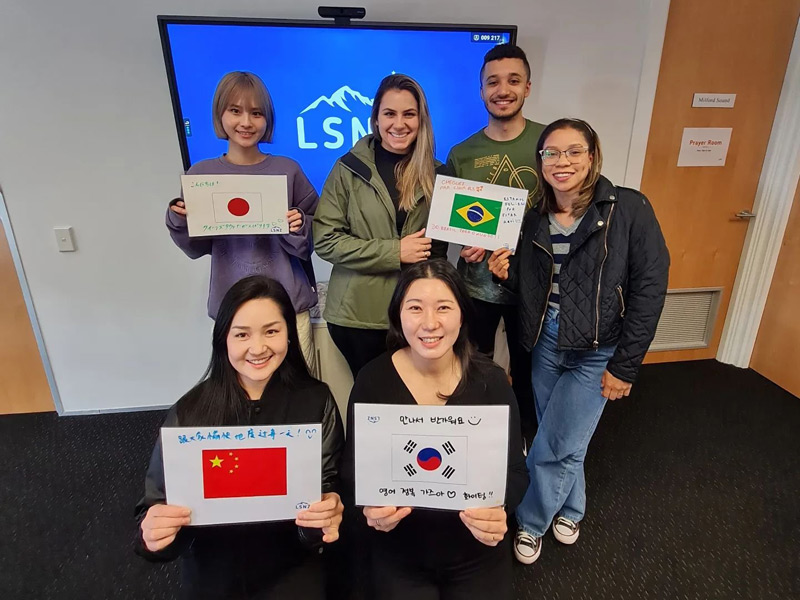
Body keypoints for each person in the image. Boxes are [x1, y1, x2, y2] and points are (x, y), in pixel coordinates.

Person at [488, 118, 669, 564]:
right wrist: (506, 274)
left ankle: (529, 522)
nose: (562, 161)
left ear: (592, 156)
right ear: (541, 162)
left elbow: (650, 286)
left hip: (599, 347)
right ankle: (571, 507)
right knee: (561, 434)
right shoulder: (534, 217)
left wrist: (626, 365)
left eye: (573, 151)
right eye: (551, 153)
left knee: (556, 442)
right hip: (547, 340)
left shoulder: (627, 208)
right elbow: (532, 287)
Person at [135, 276, 345, 599]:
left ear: (290, 334)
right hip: (213, 570)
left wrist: (327, 513)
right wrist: (154, 535)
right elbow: (156, 507)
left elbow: (329, 487)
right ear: (223, 340)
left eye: (272, 331)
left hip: (292, 565)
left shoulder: (317, 401)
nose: (258, 348)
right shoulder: (189, 412)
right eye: (242, 334)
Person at [342, 260, 528, 599]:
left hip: (475, 550)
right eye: (415, 308)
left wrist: (501, 510)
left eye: (444, 307)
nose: (430, 323)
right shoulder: (373, 380)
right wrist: (368, 508)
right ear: (398, 314)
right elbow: (352, 471)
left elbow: (516, 471)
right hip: (397, 549)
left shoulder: (490, 381)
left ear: (462, 314)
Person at [166, 71, 319, 373]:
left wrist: (299, 223)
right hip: (231, 306)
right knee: (238, 390)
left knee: (301, 386)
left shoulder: (288, 170)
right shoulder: (201, 175)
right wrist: (178, 219)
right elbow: (195, 247)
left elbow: (315, 232)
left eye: (256, 113)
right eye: (235, 111)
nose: (246, 123)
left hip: (288, 305)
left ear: (268, 119)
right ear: (219, 114)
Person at [313, 74, 448, 377]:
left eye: (408, 114)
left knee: (411, 403)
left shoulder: (438, 174)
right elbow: (325, 239)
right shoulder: (348, 169)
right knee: (368, 403)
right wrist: (394, 251)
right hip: (356, 316)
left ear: (421, 119)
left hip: (416, 317)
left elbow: (437, 250)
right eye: (389, 114)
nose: (398, 124)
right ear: (375, 118)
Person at [445, 43, 545, 437]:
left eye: (513, 81)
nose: (502, 90)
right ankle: (476, 437)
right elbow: (454, 221)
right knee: (473, 368)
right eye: (493, 82)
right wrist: (464, 244)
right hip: (476, 286)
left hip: (532, 288)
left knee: (529, 372)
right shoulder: (462, 153)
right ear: (481, 89)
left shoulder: (547, 143)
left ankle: (527, 444)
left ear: (528, 88)